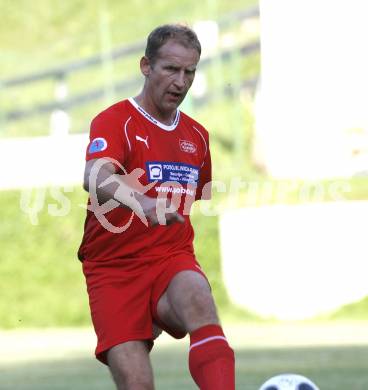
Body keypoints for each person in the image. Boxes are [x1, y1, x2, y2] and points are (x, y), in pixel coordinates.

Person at [78, 24, 235, 390]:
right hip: (113, 270)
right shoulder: (115, 121)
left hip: (170, 258)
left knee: (198, 298)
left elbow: (195, 199)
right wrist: (143, 202)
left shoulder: (198, 137)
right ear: (146, 66)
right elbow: (94, 174)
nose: (181, 82)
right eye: (170, 69)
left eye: (190, 72)